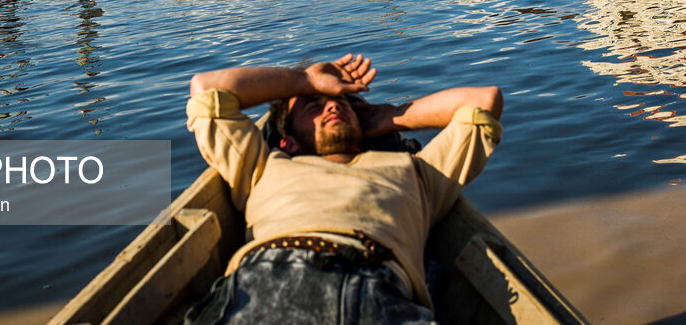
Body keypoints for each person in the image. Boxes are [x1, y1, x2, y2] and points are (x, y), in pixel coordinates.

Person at [185, 54, 503, 324]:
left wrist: (391, 117)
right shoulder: (261, 166)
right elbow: (206, 88)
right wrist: (304, 81)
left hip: (377, 290)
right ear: (288, 142)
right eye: (314, 107)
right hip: (262, 284)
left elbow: (485, 101)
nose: (333, 108)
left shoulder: (419, 173)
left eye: (340, 104)